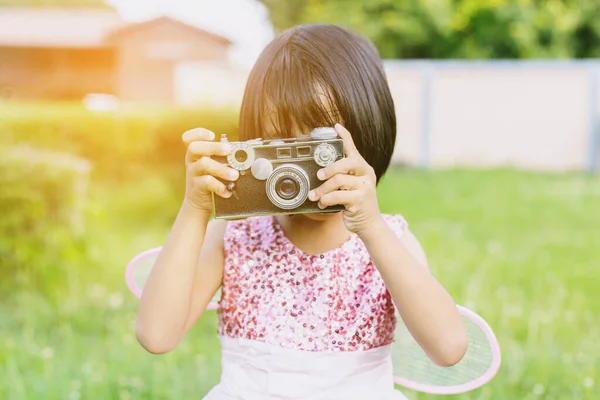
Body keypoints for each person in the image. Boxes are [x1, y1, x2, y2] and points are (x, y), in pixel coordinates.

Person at [134, 24, 468, 400]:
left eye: (318, 147)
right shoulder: (237, 237)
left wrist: (372, 228)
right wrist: (196, 209)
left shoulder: (388, 240)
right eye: (281, 144)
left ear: (368, 129)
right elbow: (156, 334)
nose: (300, 175)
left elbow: (448, 348)